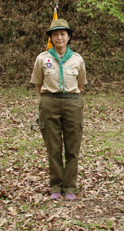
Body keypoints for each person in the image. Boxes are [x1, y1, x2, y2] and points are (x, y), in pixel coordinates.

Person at [31, 19, 87, 201]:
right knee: (53, 147)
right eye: (55, 34)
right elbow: (39, 84)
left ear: (69, 37)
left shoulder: (77, 59)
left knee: (72, 147)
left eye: (63, 34)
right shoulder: (42, 59)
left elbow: (81, 83)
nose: (59, 37)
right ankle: (56, 186)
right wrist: (50, 98)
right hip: (49, 103)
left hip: (72, 103)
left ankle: (70, 186)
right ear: (51, 38)